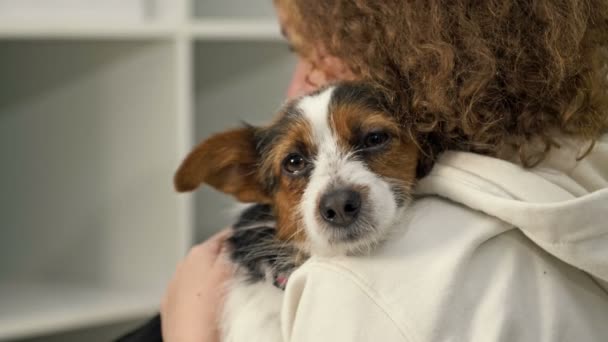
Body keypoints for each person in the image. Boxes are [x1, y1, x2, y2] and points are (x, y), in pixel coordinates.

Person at [161, 1, 608, 341]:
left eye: (374, 140)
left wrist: (185, 330)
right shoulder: (574, 167)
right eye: (296, 164)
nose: (297, 85)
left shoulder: (362, 288)